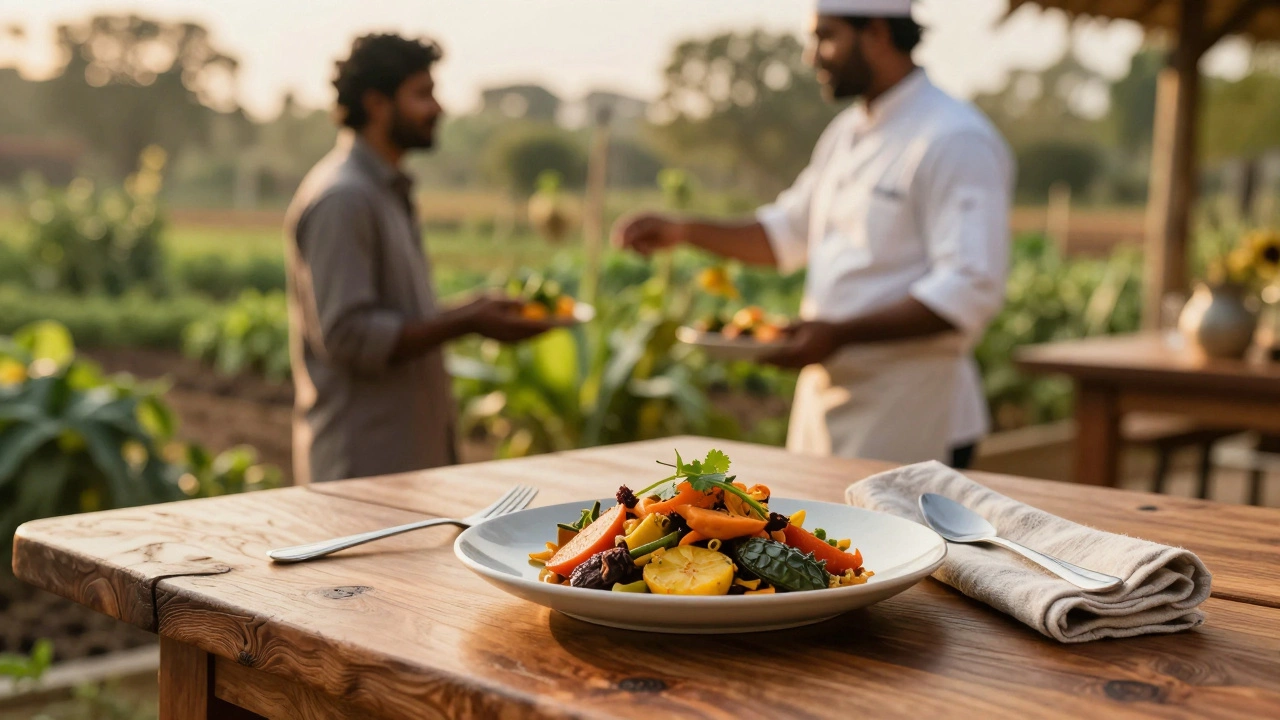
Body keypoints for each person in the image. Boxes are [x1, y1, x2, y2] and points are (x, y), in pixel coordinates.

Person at [614, 0, 1013, 468]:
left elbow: (970, 287)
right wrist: (683, 231)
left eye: (826, 36)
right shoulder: (846, 133)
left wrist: (839, 333)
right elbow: (787, 232)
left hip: (910, 412)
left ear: (878, 34)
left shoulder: (954, 138)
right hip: (825, 403)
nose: (812, 55)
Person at [285, 34, 550, 483]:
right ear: (376, 103)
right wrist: (466, 321)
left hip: (400, 464)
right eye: (422, 94)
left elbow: (390, 319)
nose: (437, 109)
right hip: (361, 470)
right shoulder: (344, 198)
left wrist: (474, 310)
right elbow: (349, 335)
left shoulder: (383, 190)